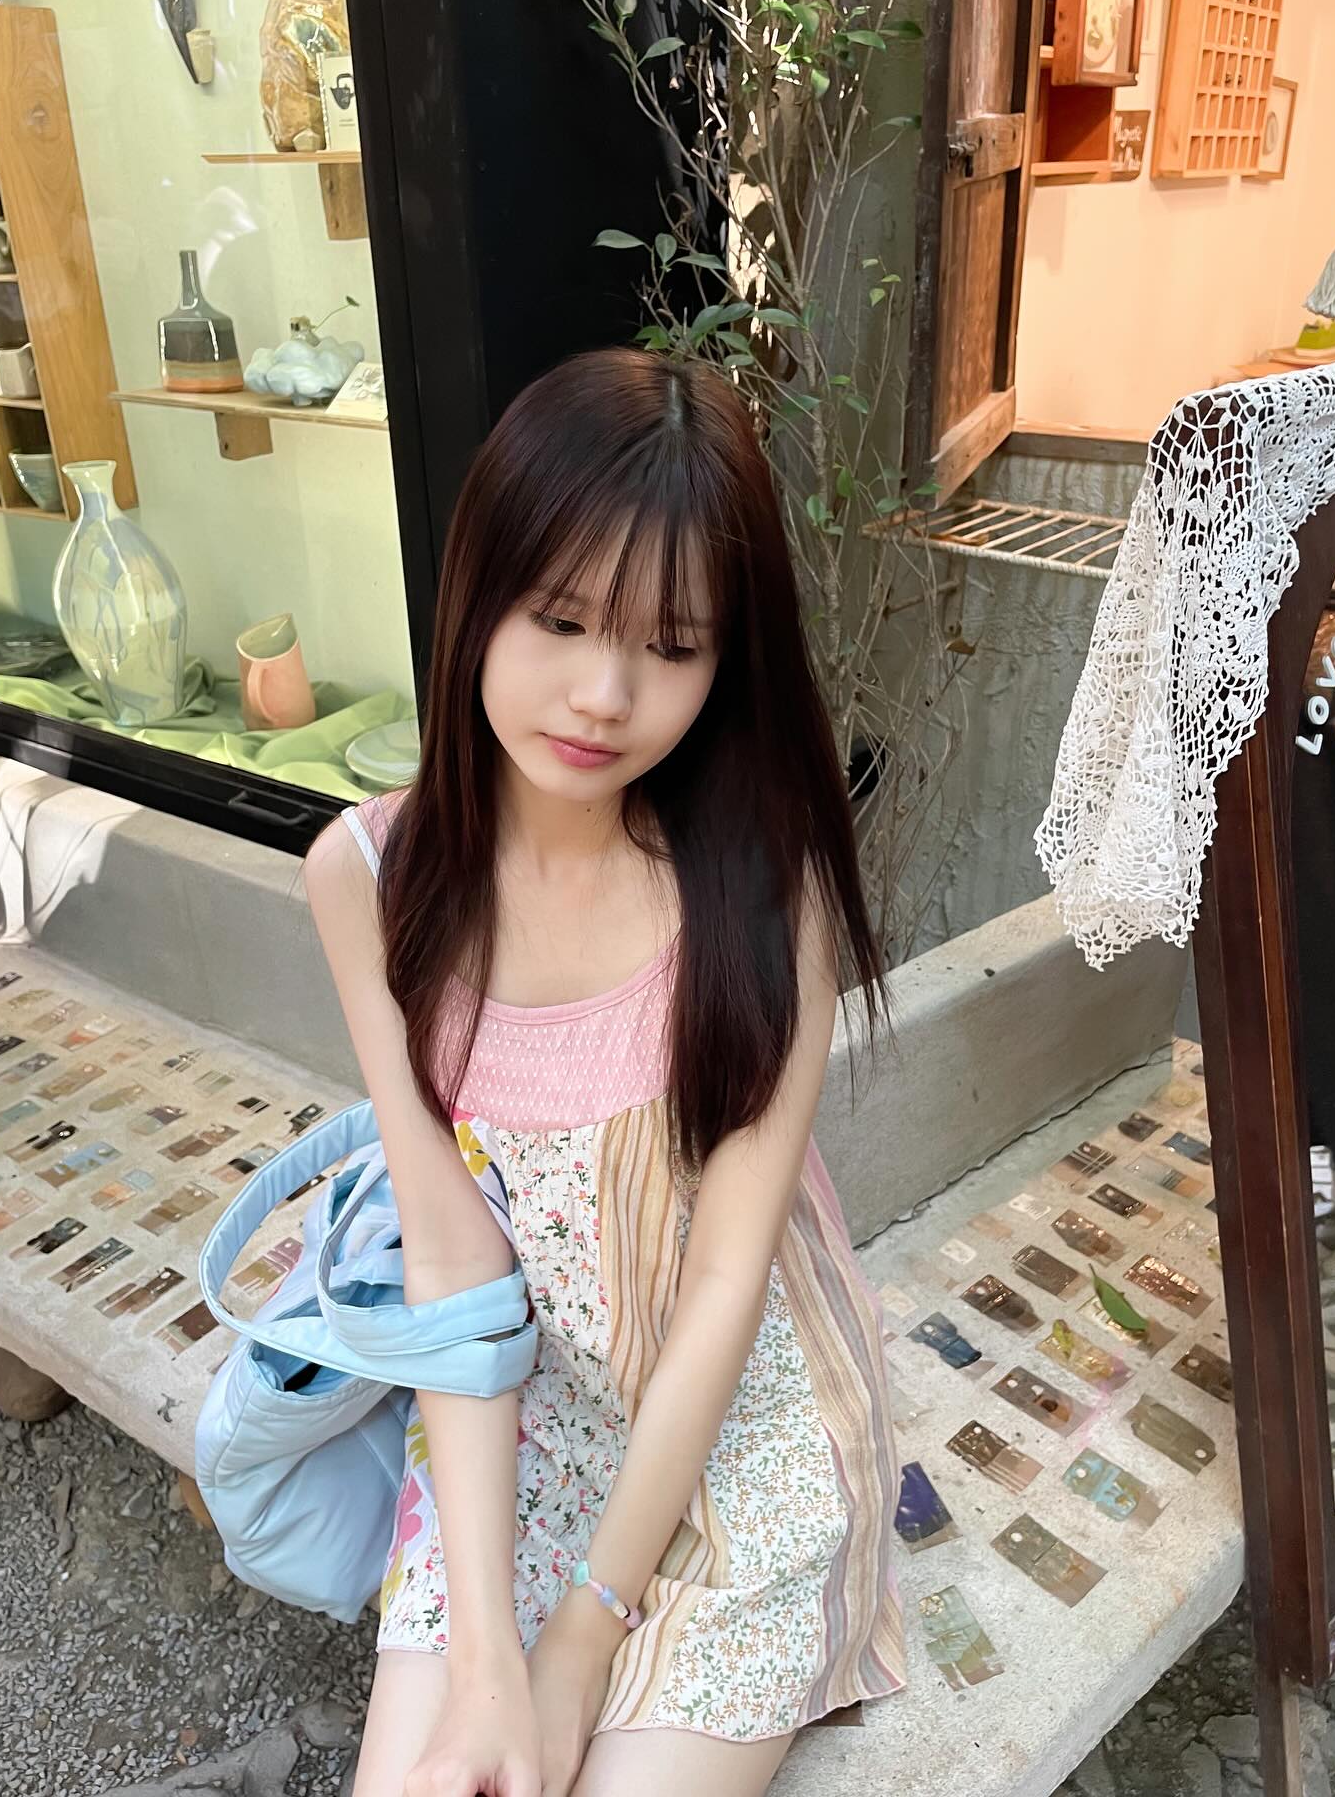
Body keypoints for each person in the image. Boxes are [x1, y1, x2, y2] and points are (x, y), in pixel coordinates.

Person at [303, 346, 906, 1797]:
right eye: (561, 617)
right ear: (477, 591)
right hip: (521, 1419)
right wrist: (491, 1659)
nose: (602, 693)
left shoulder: (760, 893)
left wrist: (584, 1637)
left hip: (741, 1433)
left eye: (673, 645)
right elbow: (454, 1269)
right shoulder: (368, 877)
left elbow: (728, 1287)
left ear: (726, 661)